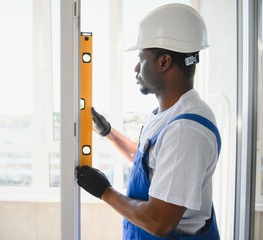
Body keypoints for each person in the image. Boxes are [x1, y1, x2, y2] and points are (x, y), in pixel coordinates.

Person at [76, 3, 221, 240]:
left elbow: (158, 221)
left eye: (140, 58)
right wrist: (109, 133)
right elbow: (153, 164)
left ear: (164, 62)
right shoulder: (168, 114)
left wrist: (104, 191)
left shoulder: (186, 131)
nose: (135, 67)